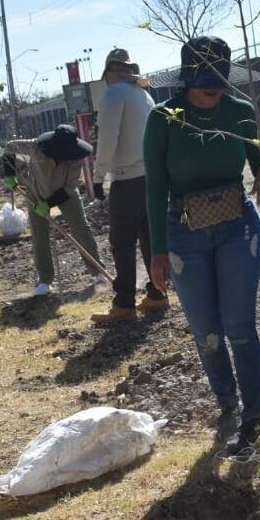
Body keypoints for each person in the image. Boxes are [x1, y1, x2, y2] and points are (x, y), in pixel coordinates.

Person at [144, 36, 260, 455]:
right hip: (184, 231)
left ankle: (253, 420)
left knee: (239, 326)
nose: (212, 87)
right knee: (207, 330)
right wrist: (158, 251)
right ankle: (227, 403)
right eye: (203, 79)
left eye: (219, 79)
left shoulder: (241, 113)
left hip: (237, 226)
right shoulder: (165, 119)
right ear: (186, 79)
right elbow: (154, 187)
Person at [90, 48, 169, 324]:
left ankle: (124, 304)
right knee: (150, 238)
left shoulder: (113, 95)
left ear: (108, 73)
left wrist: (98, 178)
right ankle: (157, 294)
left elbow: (108, 140)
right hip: (151, 176)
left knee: (122, 243)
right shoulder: (142, 94)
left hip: (126, 179)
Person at [3, 125, 108, 297]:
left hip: (65, 195)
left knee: (81, 229)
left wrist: (49, 204)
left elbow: (69, 187)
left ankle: (98, 271)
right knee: (39, 235)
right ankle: (45, 280)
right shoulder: (37, 146)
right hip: (36, 192)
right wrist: (9, 174)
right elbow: (9, 147)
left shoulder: (77, 157)